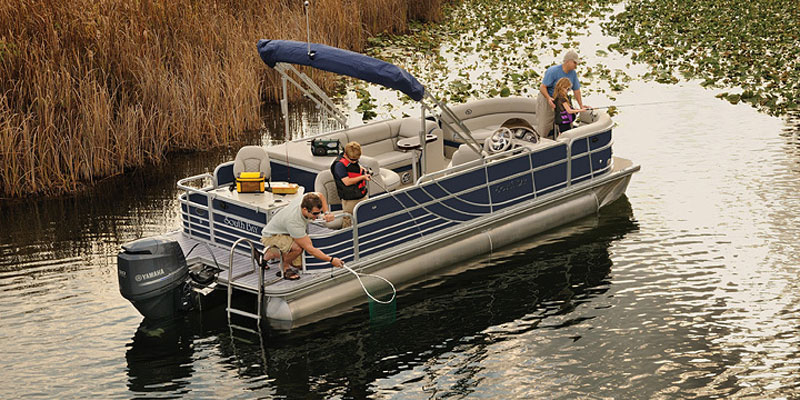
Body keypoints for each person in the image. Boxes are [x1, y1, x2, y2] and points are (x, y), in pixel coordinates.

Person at [261, 192, 344, 280]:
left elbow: (320, 195)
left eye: (319, 213)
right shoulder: (294, 222)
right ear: (304, 209)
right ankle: (283, 266)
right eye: (315, 214)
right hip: (271, 236)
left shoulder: (307, 199)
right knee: (298, 248)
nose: (317, 216)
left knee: (299, 264)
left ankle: (264, 257)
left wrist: (327, 213)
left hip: (286, 231)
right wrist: (331, 260)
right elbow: (310, 249)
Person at [537, 49, 591, 138]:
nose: (576, 66)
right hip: (547, 97)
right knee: (545, 123)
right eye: (575, 63)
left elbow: (576, 90)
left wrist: (581, 106)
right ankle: (543, 140)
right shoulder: (553, 71)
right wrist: (549, 98)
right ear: (568, 61)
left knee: (566, 120)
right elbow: (543, 87)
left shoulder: (573, 74)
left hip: (561, 98)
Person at [331, 141, 371, 228]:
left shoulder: (352, 160)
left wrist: (362, 170)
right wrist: (363, 177)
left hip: (361, 194)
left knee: (365, 218)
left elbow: (354, 167)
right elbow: (347, 182)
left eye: (356, 160)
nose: (354, 162)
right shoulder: (339, 166)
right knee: (348, 221)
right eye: (352, 160)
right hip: (350, 199)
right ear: (345, 154)